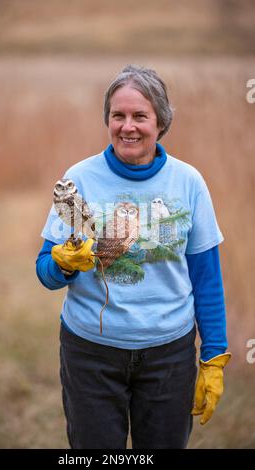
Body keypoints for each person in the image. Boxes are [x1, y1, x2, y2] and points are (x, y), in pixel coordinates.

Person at [36, 65, 232, 449]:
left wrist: (213, 356)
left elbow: (207, 278)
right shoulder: (79, 179)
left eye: (140, 116)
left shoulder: (188, 182)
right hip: (90, 353)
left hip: (169, 357)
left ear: (161, 122)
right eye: (118, 115)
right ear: (107, 120)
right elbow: (45, 272)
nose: (128, 126)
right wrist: (62, 264)